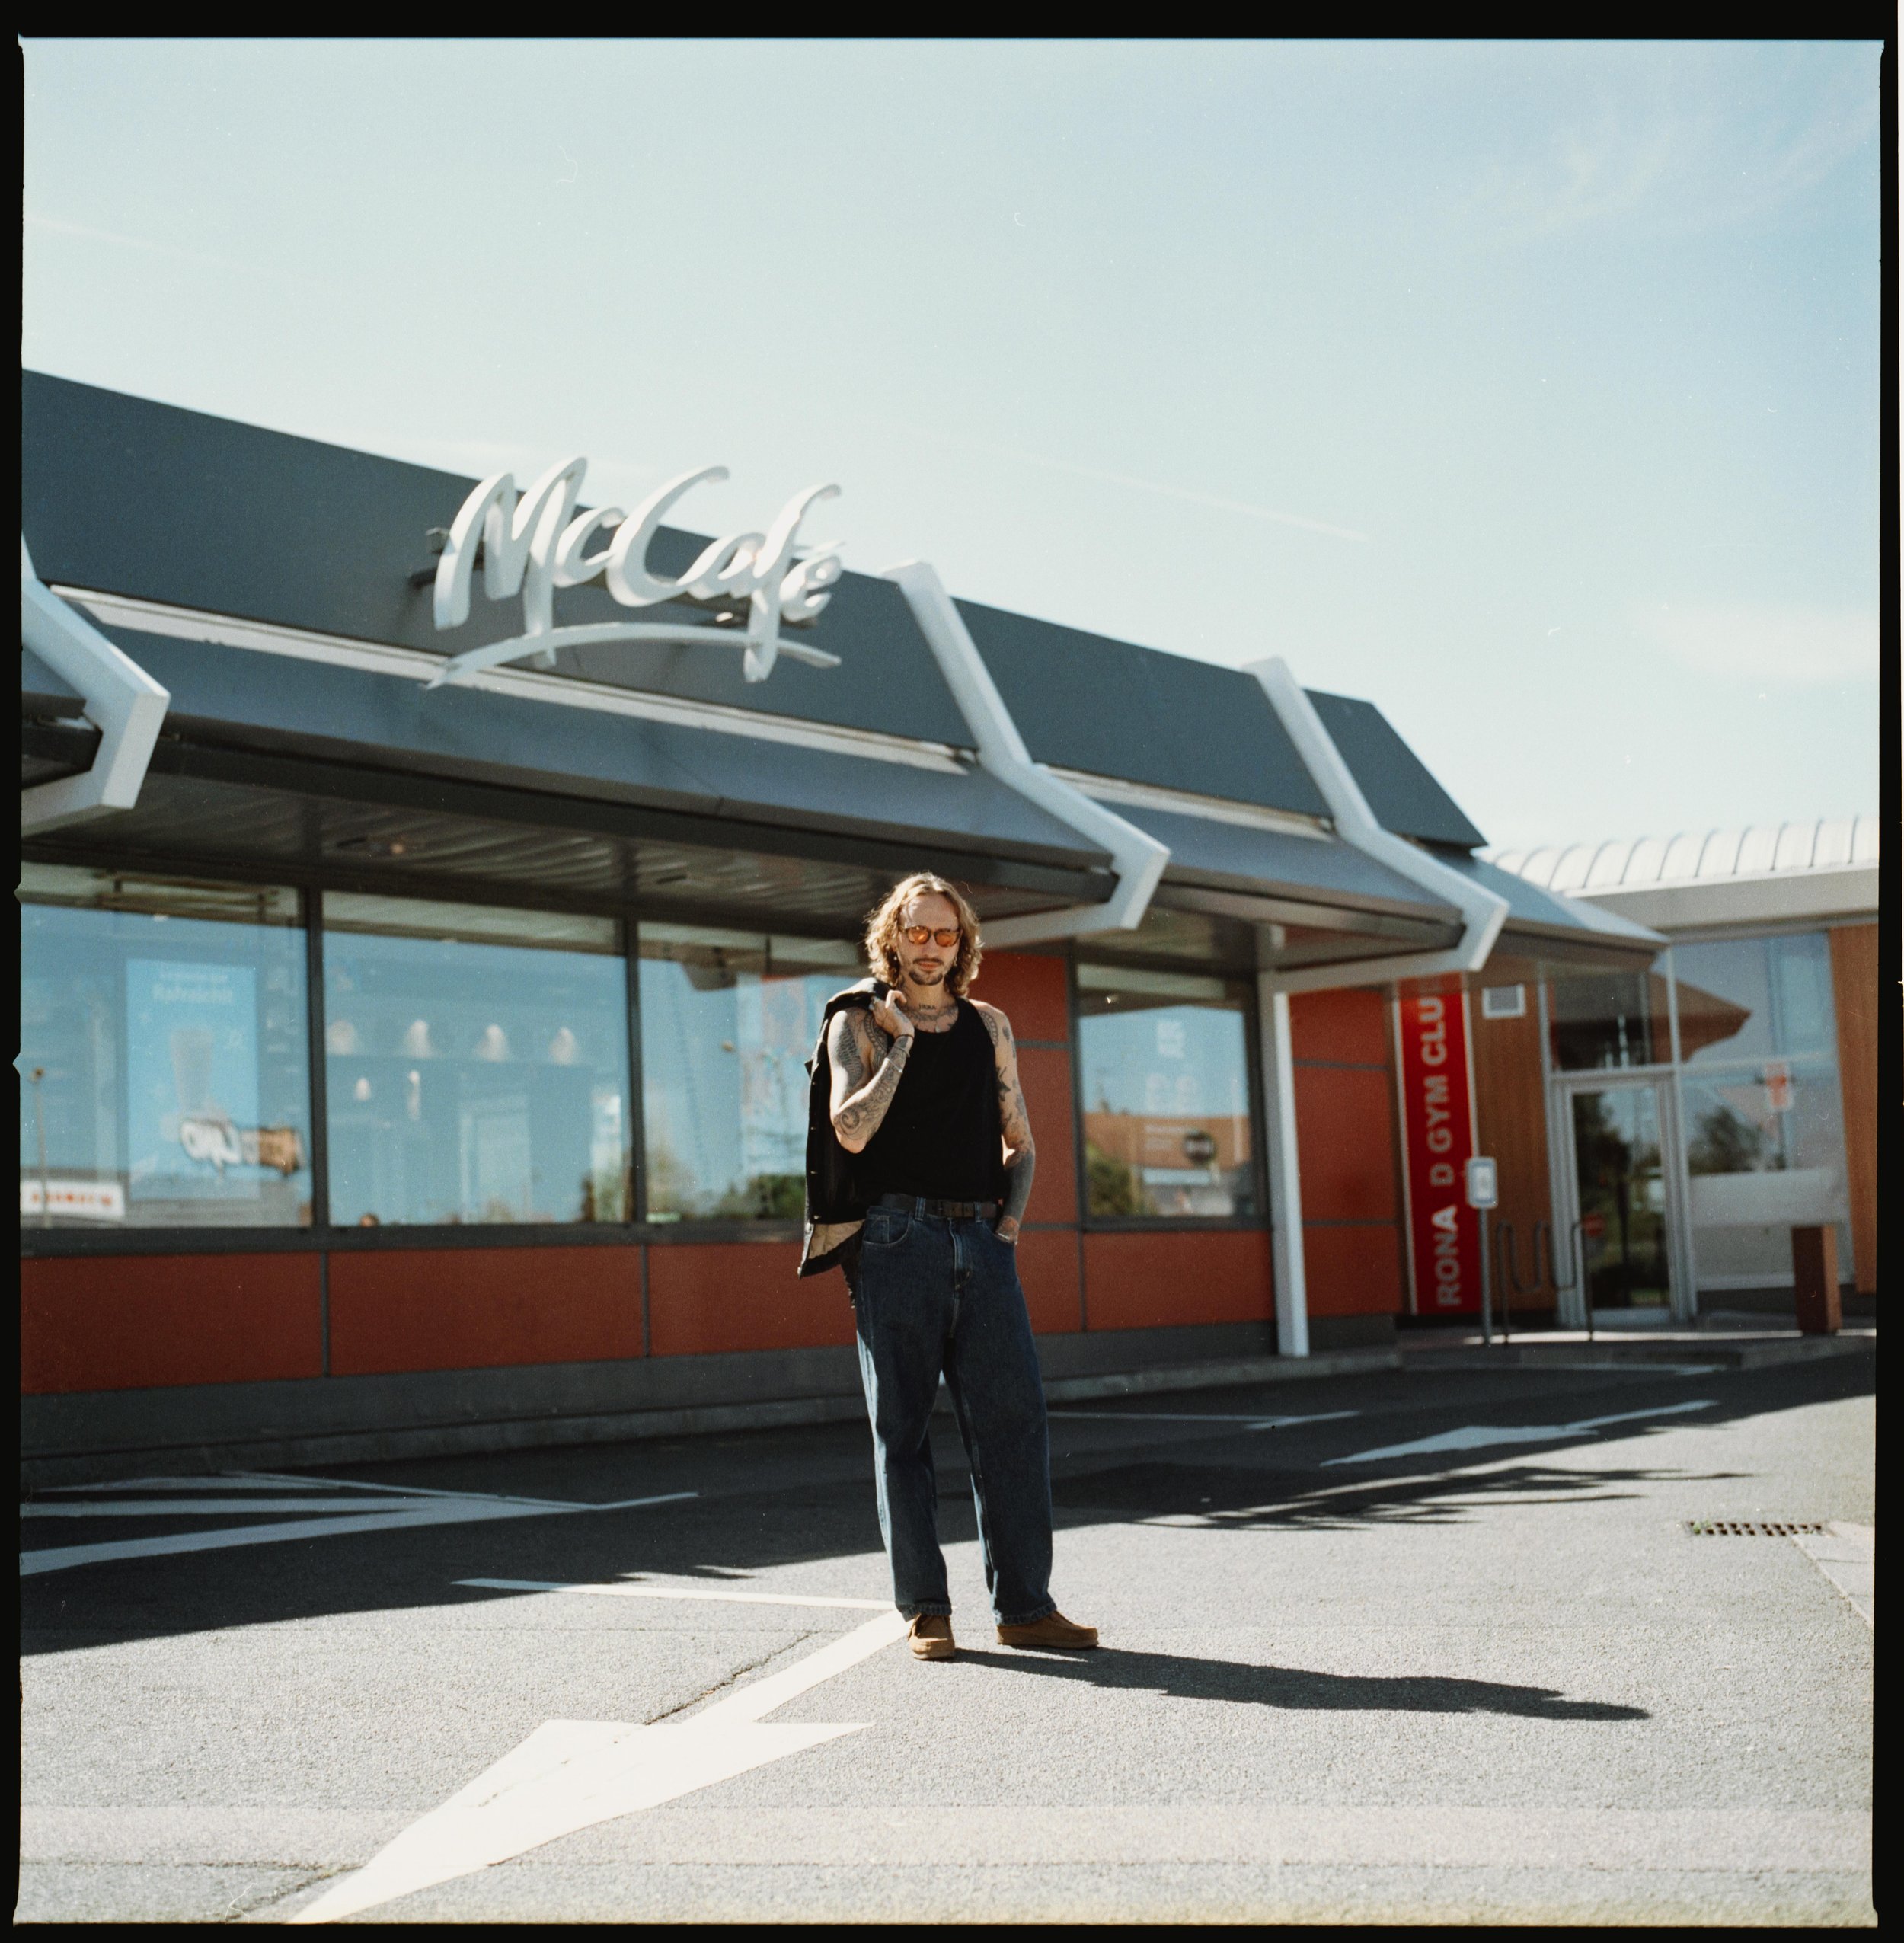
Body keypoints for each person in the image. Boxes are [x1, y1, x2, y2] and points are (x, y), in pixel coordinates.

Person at [800, 871, 1098, 1662]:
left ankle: (1027, 1606)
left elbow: (1019, 1141)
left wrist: (1009, 1223)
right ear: (891, 938)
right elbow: (850, 1130)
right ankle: (925, 1608)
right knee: (901, 1429)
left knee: (1014, 1424)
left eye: (945, 934)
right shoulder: (855, 1021)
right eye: (917, 931)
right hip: (896, 1242)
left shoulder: (990, 1025)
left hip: (981, 1242)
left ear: (962, 943)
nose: (931, 946)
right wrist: (899, 1045)